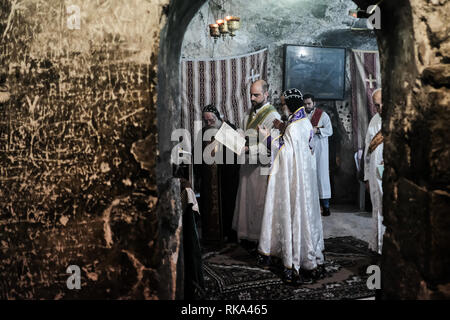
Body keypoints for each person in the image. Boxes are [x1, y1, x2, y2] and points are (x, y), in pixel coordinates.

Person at [257, 88, 324, 284]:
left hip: (294, 182)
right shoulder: (304, 123)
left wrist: (267, 137)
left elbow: (285, 154)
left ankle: (293, 261)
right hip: (306, 182)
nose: (282, 107)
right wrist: (282, 127)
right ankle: (308, 257)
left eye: (284, 103)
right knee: (306, 217)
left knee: (293, 215)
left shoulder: (294, 127)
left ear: (291, 105)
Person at [232, 79, 281, 249]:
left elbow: (272, 145)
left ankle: (259, 238)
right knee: (246, 201)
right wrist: (236, 137)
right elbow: (243, 130)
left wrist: (247, 149)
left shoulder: (273, 116)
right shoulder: (249, 113)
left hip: (261, 166)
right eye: (251, 94)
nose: (252, 98)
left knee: (258, 203)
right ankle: (245, 235)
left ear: (266, 94)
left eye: (256, 95)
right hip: (247, 165)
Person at [195, 105, 240, 244]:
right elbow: (197, 156)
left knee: (228, 206)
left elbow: (238, 151)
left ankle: (228, 235)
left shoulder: (228, 129)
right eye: (206, 121)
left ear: (218, 117)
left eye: (211, 120)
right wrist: (198, 175)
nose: (209, 124)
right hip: (209, 180)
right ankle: (210, 236)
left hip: (226, 178)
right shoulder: (203, 133)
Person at [363, 88, 385, 254]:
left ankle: (385, 246)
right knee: (376, 208)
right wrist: (366, 177)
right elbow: (367, 150)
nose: (379, 108)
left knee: (386, 209)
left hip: (387, 172)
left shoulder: (396, 119)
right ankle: (376, 245)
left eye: (381, 104)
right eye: (376, 105)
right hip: (374, 171)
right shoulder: (374, 120)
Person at [304, 94, 333, 216]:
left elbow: (330, 131)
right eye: (305, 104)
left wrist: (318, 130)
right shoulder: (302, 116)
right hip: (307, 150)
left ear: (314, 103)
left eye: (309, 103)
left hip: (320, 151)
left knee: (322, 177)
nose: (307, 106)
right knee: (308, 177)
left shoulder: (323, 115)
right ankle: (309, 207)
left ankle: (325, 206)